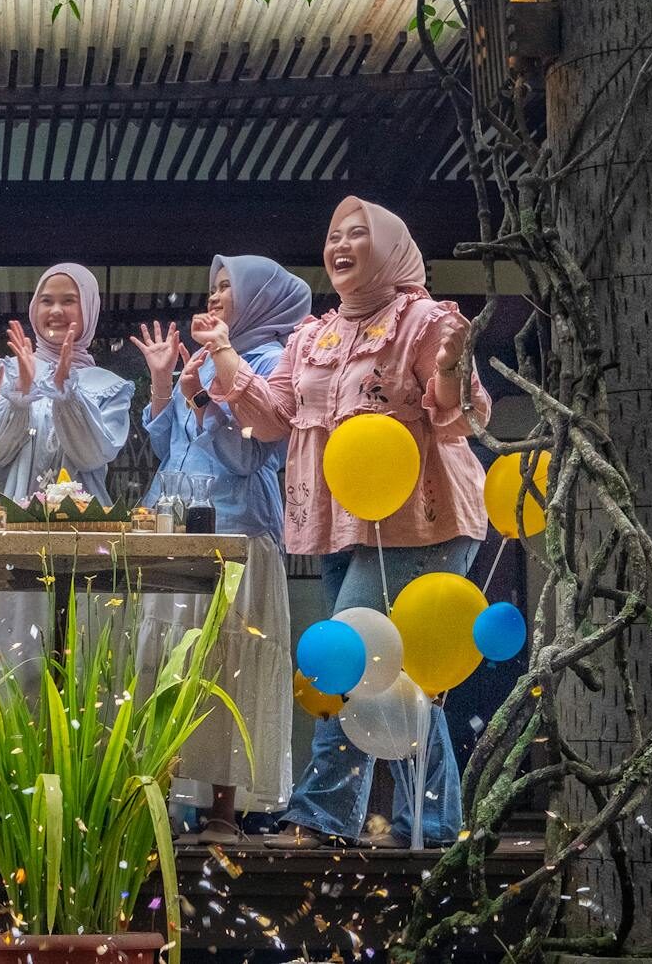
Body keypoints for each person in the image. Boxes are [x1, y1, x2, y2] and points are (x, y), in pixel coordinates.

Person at [197, 196, 491, 848]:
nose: (340, 244)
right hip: (338, 526)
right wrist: (221, 352)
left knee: (348, 661)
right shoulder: (313, 335)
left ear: (390, 246)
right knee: (397, 675)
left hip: (421, 520)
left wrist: (451, 367)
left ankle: (323, 817)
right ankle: (439, 826)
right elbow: (271, 419)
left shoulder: (425, 321)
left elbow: (461, 412)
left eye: (358, 234)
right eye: (334, 234)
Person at [130, 255, 309, 844]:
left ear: (259, 297)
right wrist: (165, 389)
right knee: (165, 662)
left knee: (229, 667)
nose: (216, 294)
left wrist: (206, 402)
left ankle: (225, 810)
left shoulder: (270, 362)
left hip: (236, 533)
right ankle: (165, 802)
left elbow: (248, 454)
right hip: (174, 527)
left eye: (229, 285)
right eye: (214, 285)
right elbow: (167, 448)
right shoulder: (205, 356)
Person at [0, 264, 134, 714]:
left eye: (69, 300)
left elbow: (95, 453)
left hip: (83, 541)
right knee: (11, 658)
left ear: (90, 310)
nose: (55, 311)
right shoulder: (4, 370)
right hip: (14, 538)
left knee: (77, 659)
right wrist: (19, 393)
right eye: (46, 300)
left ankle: (82, 778)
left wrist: (64, 392)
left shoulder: (108, 386)